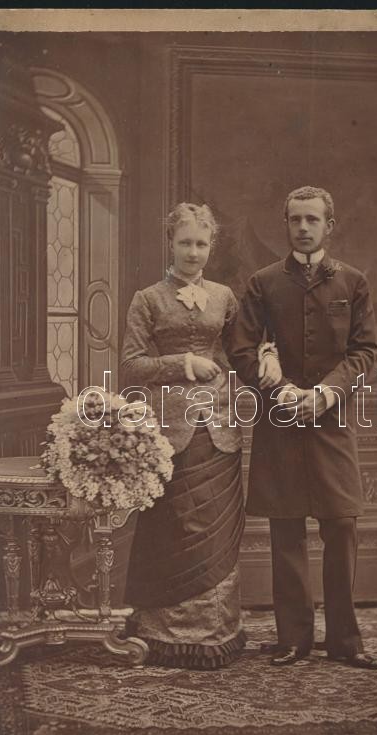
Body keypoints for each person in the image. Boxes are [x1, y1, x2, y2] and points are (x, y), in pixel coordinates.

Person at [228, 185, 377, 669]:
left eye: (312, 219)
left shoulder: (353, 282)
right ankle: (293, 638)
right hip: (281, 422)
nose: (303, 227)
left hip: (333, 421)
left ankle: (345, 641)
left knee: (341, 525)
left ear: (329, 226)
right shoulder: (263, 283)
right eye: (295, 219)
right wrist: (279, 390)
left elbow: (365, 350)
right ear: (286, 224)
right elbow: (241, 349)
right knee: (286, 529)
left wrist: (326, 393)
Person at [121, 202, 246, 669]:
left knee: (215, 528)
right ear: (170, 244)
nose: (194, 252)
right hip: (170, 429)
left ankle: (215, 632)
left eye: (202, 244)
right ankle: (164, 633)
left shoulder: (224, 297)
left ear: (212, 246)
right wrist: (183, 363)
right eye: (185, 243)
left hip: (220, 427)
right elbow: (132, 365)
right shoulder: (148, 299)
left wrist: (268, 357)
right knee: (174, 525)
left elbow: (241, 353)